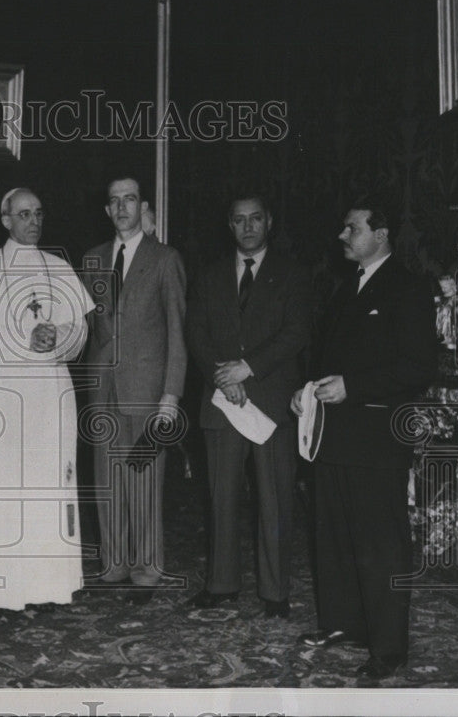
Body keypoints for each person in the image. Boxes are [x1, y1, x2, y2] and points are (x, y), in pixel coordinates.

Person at [292, 196, 437, 680]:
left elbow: (418, 367)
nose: (342, 236)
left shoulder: (410, 288)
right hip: (334, 437)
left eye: (351, 228)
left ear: (381, 234)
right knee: (333, 538)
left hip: (377, 441)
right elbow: (326, 356)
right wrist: (307, 390)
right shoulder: (345, 289)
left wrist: (352, 387)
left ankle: (390, 648)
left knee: (380, 544)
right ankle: (344, 625)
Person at [0, 187, 94, 610]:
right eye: (24, 214)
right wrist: (23, 338)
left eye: (38, 213)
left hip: (50, 395)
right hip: (2, 398)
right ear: (5, 220)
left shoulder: (59, 268)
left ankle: (47, 587)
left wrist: (59, 337)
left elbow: (81, 332)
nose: (33, 221)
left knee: (47, 488)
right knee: (3, 489)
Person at [185, 194, 311, 618]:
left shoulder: (292, 274)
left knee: (274, 499)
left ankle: (275, 592)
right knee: (221, 497)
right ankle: (221, 584)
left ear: (269, 221)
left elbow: (297, 332)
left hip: (272, 402)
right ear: (230, 225)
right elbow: (196, 333)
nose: (248, 227)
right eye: (239, 221)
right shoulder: (208, 275)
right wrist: (223, 376)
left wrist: (248, 369)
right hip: (221, 401)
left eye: (256, 218)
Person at [81, 176, 186, 602]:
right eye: (114, 201)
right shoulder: (92, 260)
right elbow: (86, 329)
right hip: (103, 388)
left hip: (148, 391)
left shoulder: (165, 259)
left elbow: (178, 332)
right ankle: (114, 564)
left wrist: (171, 396)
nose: (122, 207)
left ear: (143, 206)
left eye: (130, 199)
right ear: (107, 210)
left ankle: (145, 569)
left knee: (143, 480)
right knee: (107, 480)